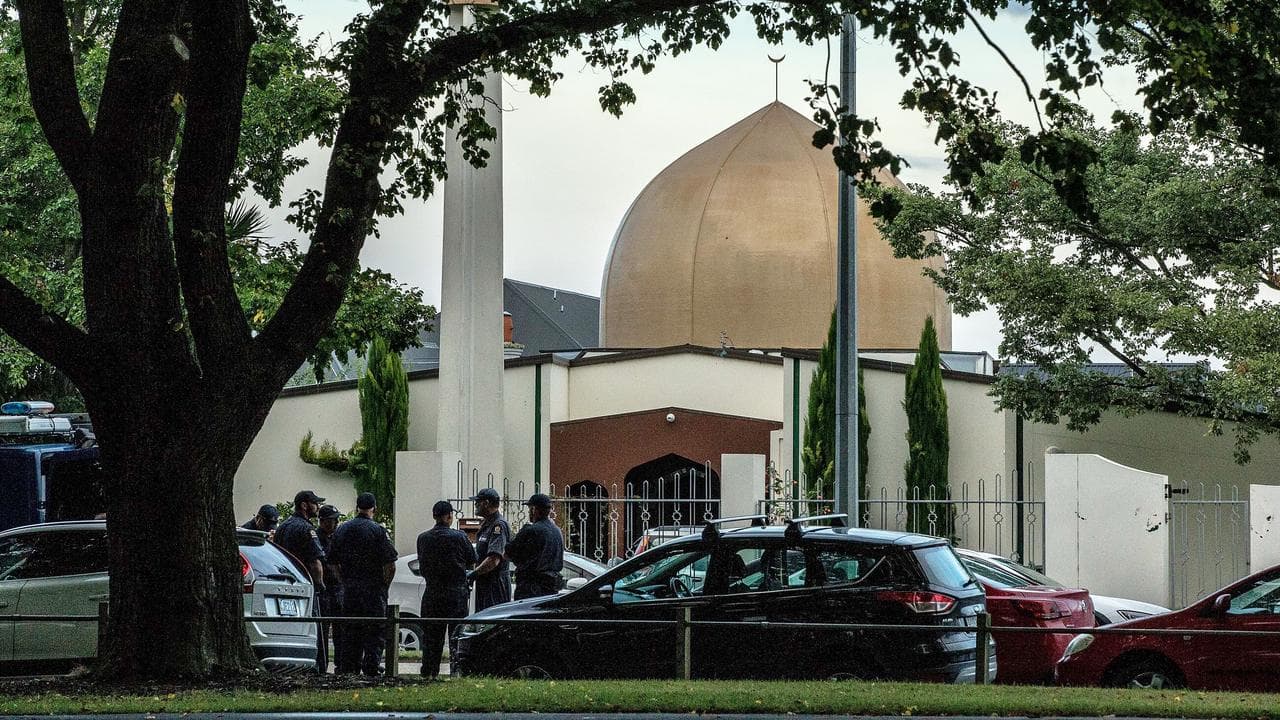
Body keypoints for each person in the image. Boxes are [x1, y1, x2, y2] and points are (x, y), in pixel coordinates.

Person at [329, 492, 397, 676]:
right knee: (375, 631)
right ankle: (371, 668)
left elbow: (332, 562)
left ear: (356, 507)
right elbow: (390, 565)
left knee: (351, 631)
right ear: (374, 508)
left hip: (351, 590)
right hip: (373, 590)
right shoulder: (378, 531)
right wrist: (384, 586)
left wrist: (343, 581)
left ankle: (350, 669)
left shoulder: (342, 530)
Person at [415, 500, 476, 679]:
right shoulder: (459, 537)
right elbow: (472, 559)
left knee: (431, 637)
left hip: (432, 592)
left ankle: (429, 672)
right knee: (456, 636)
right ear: (450, 516)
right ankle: (455, 671)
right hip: (456, 592)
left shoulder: (423, 538)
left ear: (434, 516)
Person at [273, 490, 328, 671]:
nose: (317, 507)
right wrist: (320, 584)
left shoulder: (283, 527)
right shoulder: (307, 529)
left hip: (285, 583)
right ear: (304, 505)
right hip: (305, 584)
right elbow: (315, 561)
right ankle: (318, 667)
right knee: (315, 628)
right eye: (315, 503)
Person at [506, 493, 565, 600]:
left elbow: (509, 553)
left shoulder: (531, 530)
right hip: (551, 587)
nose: (529, 512)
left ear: (534, 510)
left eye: (529, 509)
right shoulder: (557, 531)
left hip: (530, 588)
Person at [465, 487, 511, 612]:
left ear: (486, 503)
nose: (475, 505)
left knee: (491, 618)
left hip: (495, 585)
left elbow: (493, 559)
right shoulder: (487, 524)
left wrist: (473, 574)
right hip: (485, 583)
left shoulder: (498, 526)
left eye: (477, 502)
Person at [316, 504, 344, 674]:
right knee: (323, 631)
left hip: (337, 589)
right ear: (323, 521)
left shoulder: (336, 537)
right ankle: (322, 666)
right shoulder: (316, 538)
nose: (336, 523)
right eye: (333, 520)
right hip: (325, 589)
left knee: (340, 629)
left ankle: (341, 665)